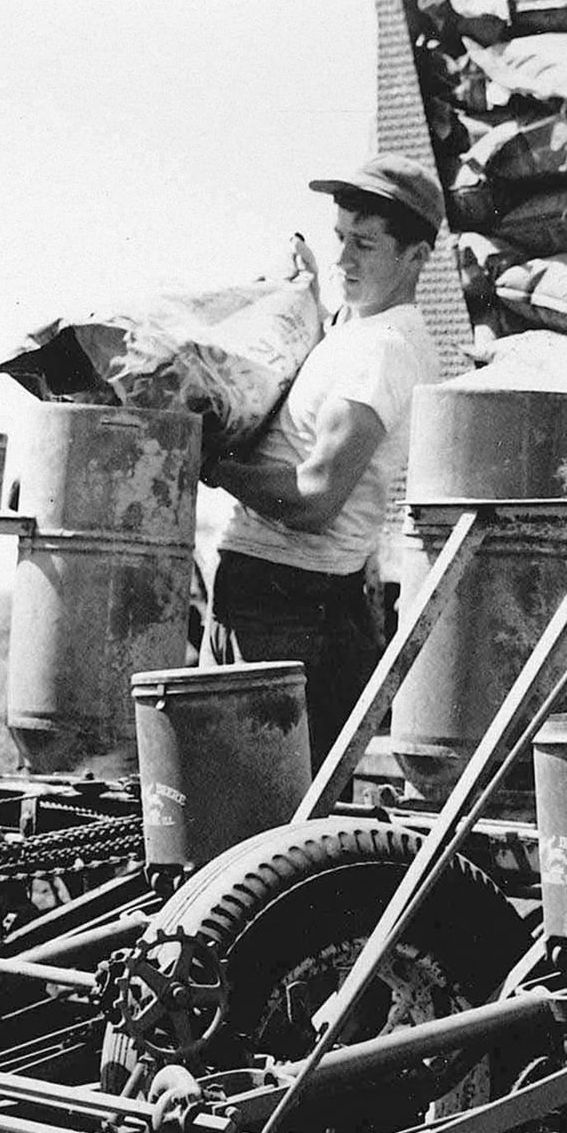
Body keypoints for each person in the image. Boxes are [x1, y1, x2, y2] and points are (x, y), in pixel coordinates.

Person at [203, 152, 445, 765]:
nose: (343, 260)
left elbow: (315, 499)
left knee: (247, 818)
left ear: (416, 257)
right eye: (339, 239)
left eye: (364, 244)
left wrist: (211, 464)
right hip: (288, 600)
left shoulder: (384, 350)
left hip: (287, 604)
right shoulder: (359, 331)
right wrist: (307, 290)